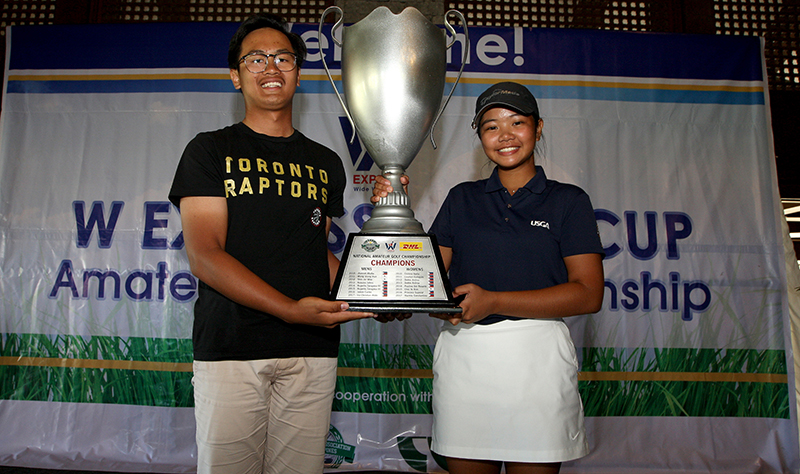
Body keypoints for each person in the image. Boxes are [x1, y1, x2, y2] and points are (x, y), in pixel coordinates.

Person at [169, 14, 375, 474]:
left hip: (312, 350)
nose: (271, 67)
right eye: (256, 58)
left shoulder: (324, 162)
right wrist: (287, 308)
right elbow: (205, 255)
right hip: (233, 346)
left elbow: (314, 250)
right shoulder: (209, 150)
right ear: (235, 75)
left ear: (298, 75)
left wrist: (378, 288)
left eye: (283, 58)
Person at [372, 82, 605, 474]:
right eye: (491, 126)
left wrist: (494, 301)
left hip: (539, 363)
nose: (505, 136)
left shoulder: (569, 200)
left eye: (517, 122)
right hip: (466, 359)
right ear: (479, 135)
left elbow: (587, 294)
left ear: (538, 127)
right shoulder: (462, 198)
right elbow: (427, 281)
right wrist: (392, 215)